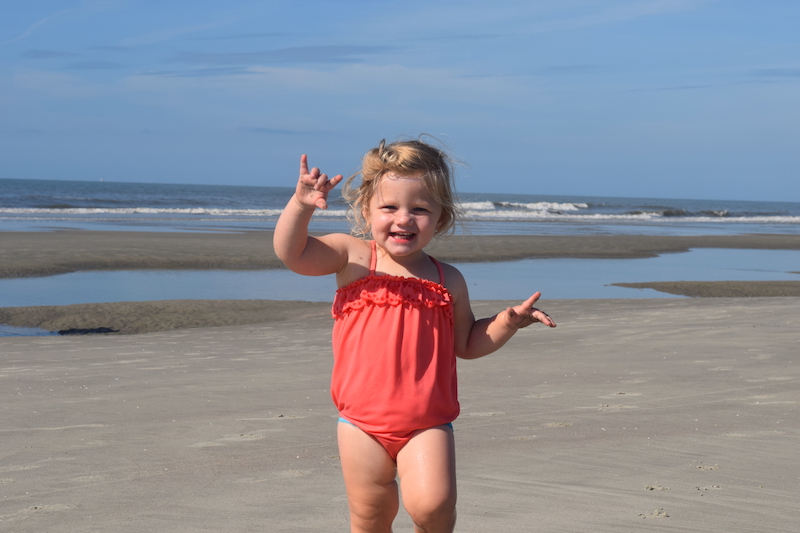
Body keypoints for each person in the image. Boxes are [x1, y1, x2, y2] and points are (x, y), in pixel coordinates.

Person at [273, 138, 556, 533]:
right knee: (371, 515)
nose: (403, 219)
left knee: (433, 507)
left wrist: (508, 321)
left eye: (419, 209)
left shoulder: (448, 280)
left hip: (427, 423)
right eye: (389, 207)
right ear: (366, 209)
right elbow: (293, 253)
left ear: (440, 218)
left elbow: (467, 343)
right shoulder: (353, 257)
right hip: (360, 424)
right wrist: (301, 206)